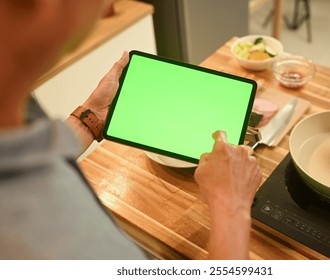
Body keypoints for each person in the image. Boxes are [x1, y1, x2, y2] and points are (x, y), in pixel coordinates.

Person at [0, 0, 262, 259]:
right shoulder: (50, 244)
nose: (107, 5)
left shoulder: (16, 108)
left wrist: (89, 119)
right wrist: (232, 206)